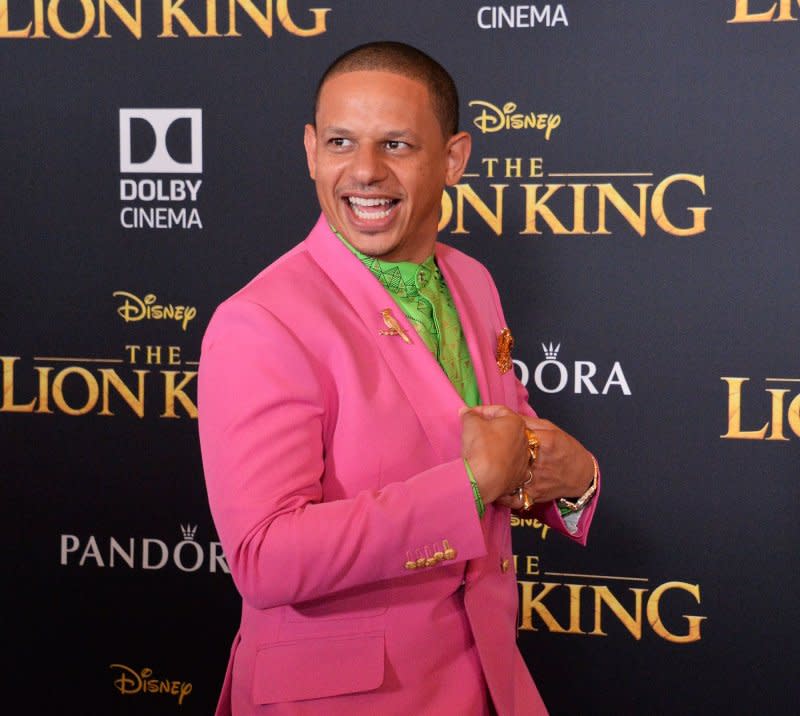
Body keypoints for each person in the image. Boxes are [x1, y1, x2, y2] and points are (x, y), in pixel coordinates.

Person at [198, 40, 600, 716]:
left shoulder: (473, 280)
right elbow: (265, 558)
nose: (364, 172)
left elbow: (506, 441)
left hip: (489, 681)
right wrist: (471, 486)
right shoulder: (261, 320)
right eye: (340, 142)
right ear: (309, 151)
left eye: (397, 146)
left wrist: (573, 479)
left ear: (454, 159)